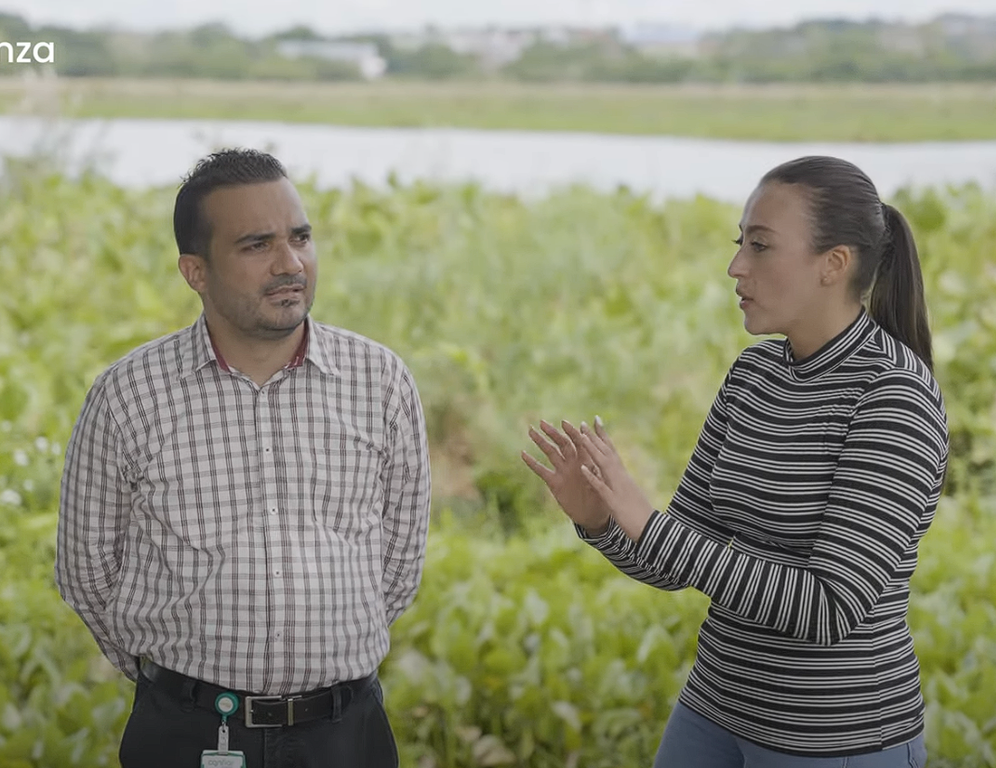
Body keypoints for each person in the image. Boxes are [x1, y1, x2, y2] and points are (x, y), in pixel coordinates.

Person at [523, 155, 946, 768]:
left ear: (835, 264)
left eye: (761, 247)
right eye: (739, 244)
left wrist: (648, 523)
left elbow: (830, 607)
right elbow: (676, 561)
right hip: (714, 710)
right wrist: (602, 524)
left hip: (834, 737)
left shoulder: (893, 396)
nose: (735, 267)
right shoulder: (752, 375)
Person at [56, 148, 431, 768]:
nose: (291, 264)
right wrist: (183, 687)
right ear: (195, 271)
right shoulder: (128, 396)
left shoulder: (381, 381)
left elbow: (400, 562)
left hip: (346, 736)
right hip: (187, 735)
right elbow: (85, 571)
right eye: (257, 245)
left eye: (301, 237)